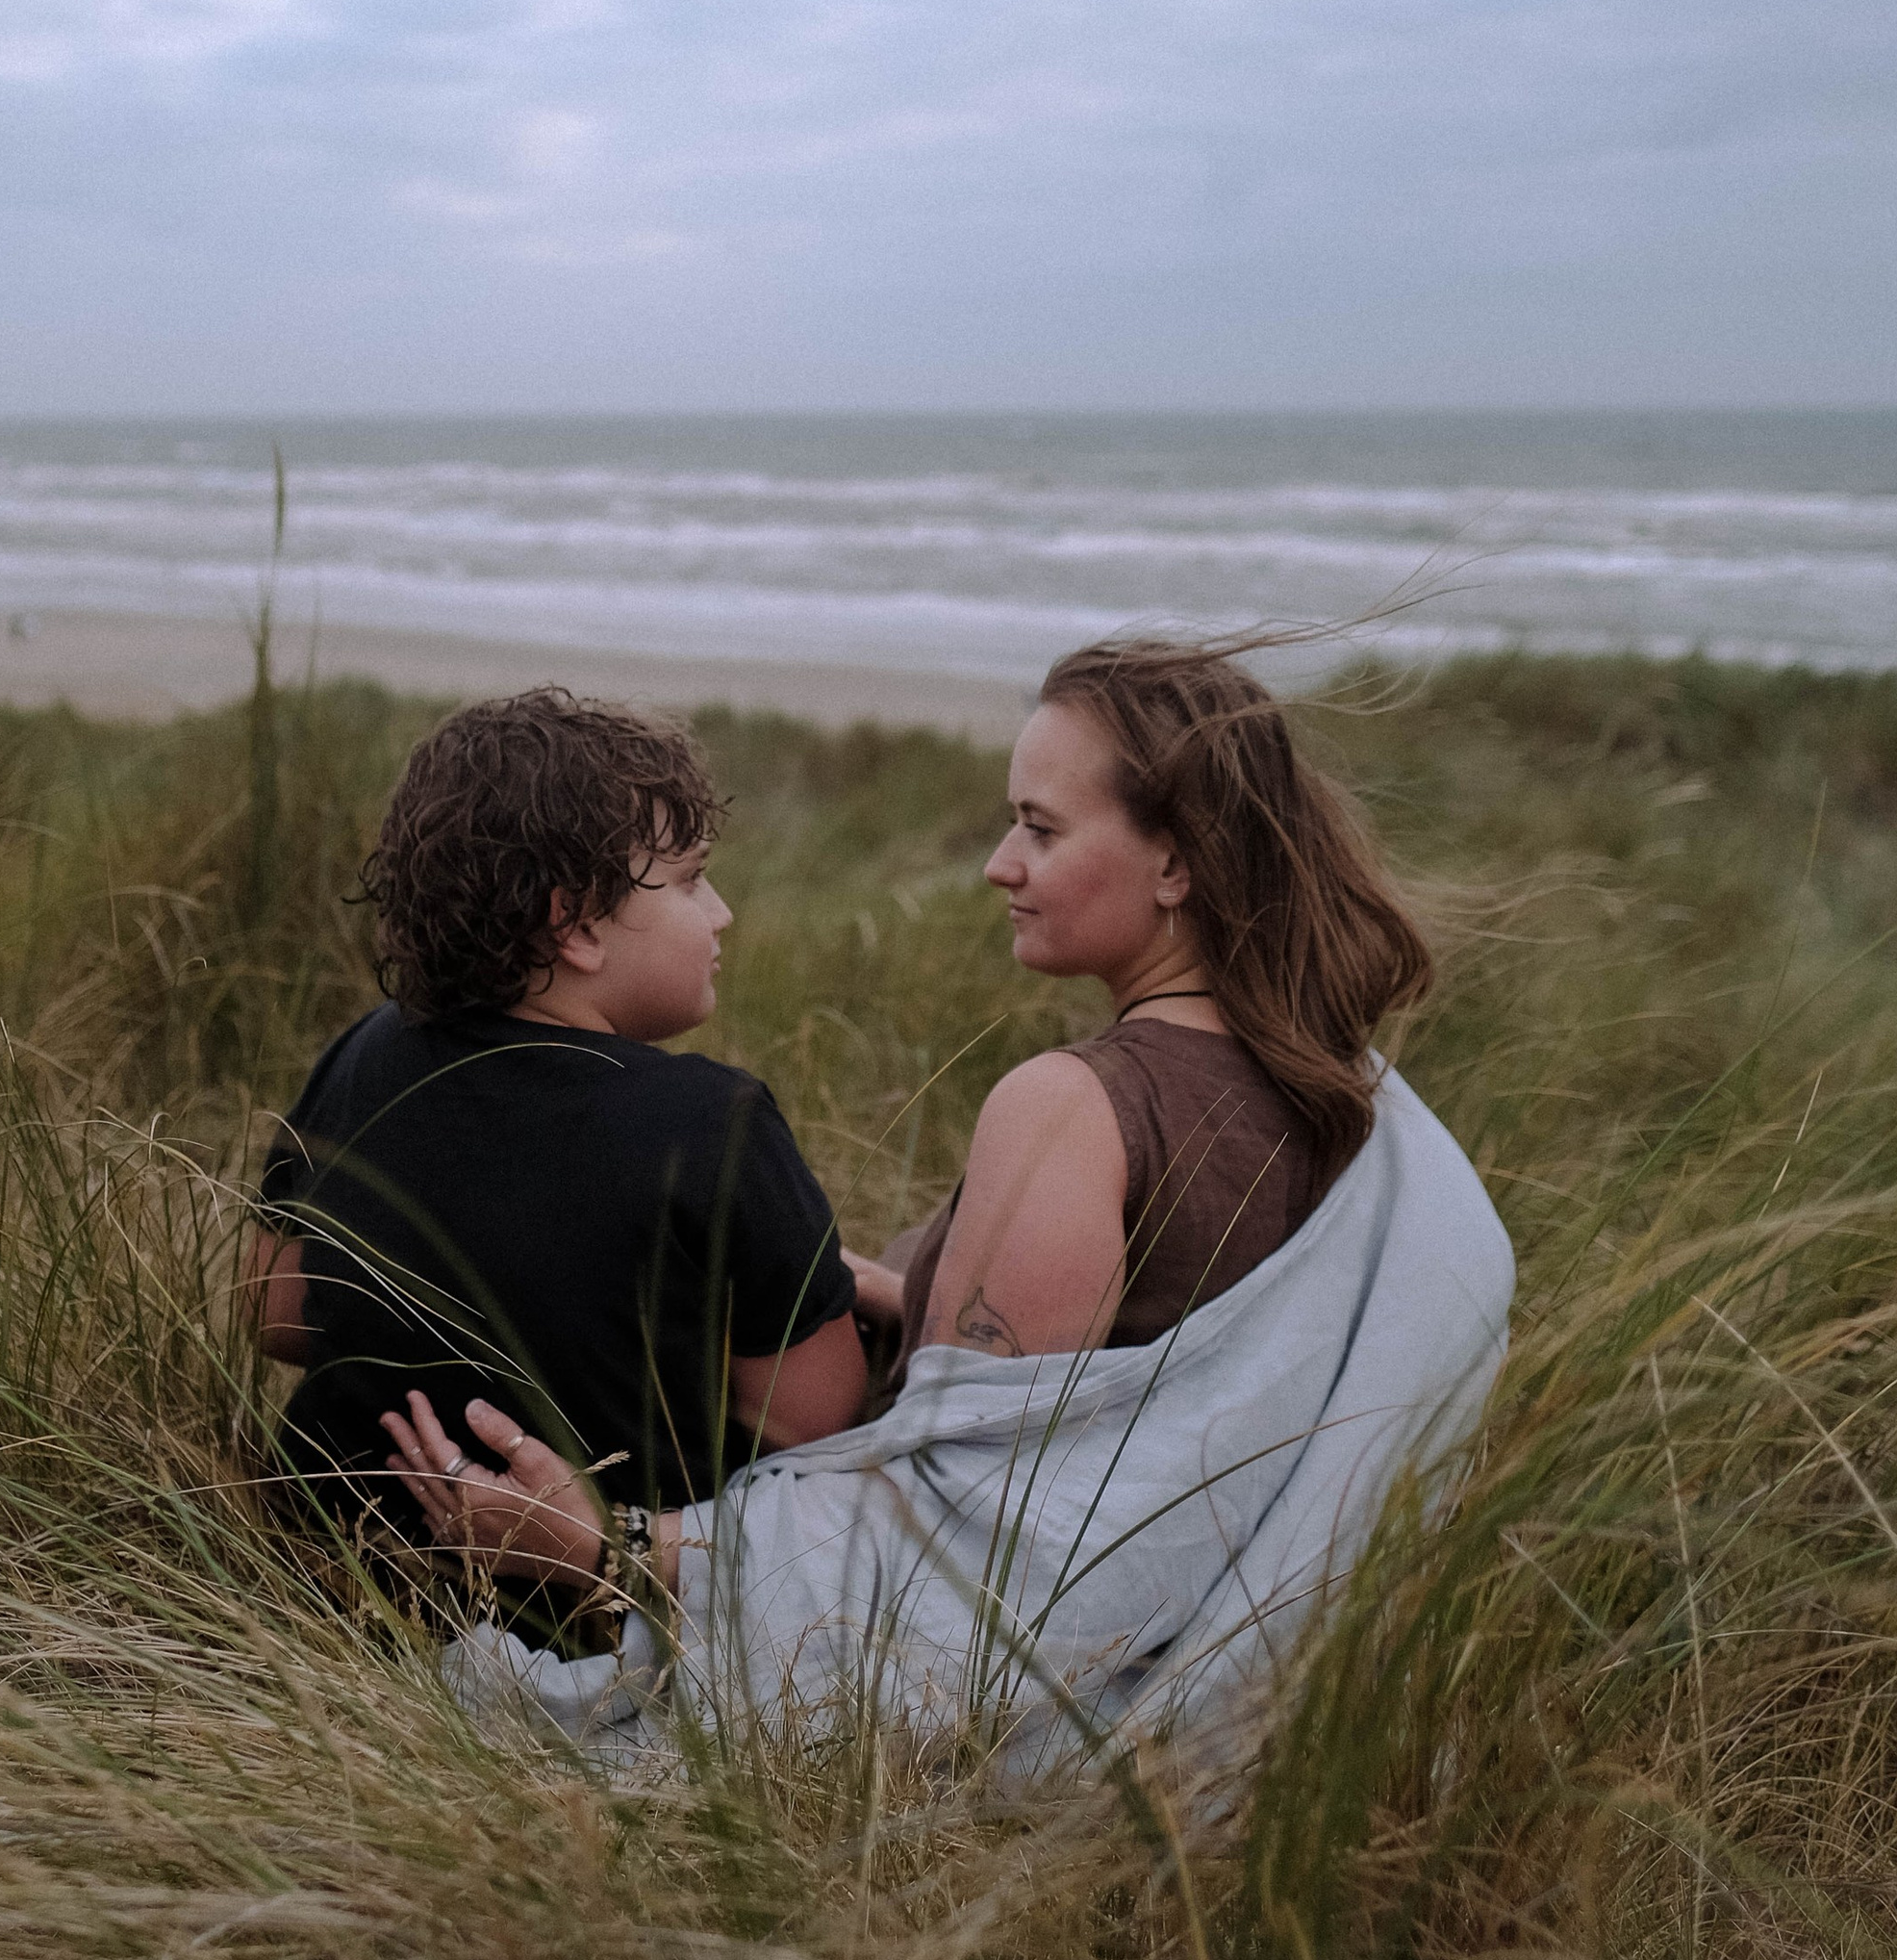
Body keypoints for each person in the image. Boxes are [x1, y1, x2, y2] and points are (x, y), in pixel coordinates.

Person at [383, 635, 1436, 1616]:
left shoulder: (1073, 1105)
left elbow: (953, 1534)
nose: (998, 862)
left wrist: (599, 1544)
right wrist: (907, 1290)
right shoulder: (1337, 1088)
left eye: (1040, 826)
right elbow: (1145, 1360)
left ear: (1177, 863)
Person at [242, 689, 866, 1565]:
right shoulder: (712, 1122)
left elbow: (275, 1314)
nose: (720, 912)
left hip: (330, 1572)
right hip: (595, 1603)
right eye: (690, 880)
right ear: (573, 923)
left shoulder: (368, 1050)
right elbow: (813, 1423)